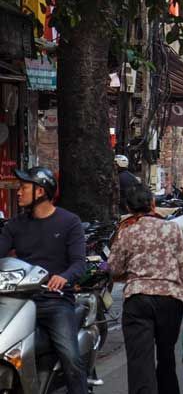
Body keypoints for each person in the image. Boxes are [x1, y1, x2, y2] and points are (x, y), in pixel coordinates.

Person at [109, 184, 183, 394]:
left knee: (140, 362)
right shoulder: (171, 228)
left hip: (138, 300)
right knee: (166, 356)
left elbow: (113, 268)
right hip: (170, 300)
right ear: (153, 204)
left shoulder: (127, 232)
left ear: (129, 208)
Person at [0, 168, 87, 394]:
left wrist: (64, 277)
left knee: (70, 356)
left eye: (23, 188)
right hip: (17, 300)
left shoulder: (69, 222)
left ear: (40, 191)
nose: (18, 193)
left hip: (54, 301)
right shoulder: (15, 224)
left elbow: (79, 263)